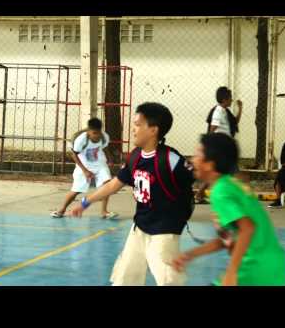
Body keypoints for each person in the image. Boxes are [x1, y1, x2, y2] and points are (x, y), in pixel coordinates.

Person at [71, 103, 194, 286]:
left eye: (137, 124)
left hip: (165, 231)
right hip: (140, 228)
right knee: (125, 277)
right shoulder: (135, 157)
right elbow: (114, 184)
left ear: (153, 130)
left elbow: (197, 176)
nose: (133, 129)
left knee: (169, 280)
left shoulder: (170, 159)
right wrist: (85, 201)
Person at [172, 133, 285, 286]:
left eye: (198, 154)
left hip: (254, 267)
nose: (192, 159)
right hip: (270, 264)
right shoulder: (230, 185)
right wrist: (191, 254)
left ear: (210, 164)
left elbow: (248, 228)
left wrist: (231, 272)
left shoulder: (220, 192)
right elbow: (229, 238)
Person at [51, 118, 118, 219]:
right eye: (94, 133)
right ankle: (62, 210)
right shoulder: (81, 140)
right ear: (88, 131)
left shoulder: (104, 137)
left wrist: (110, 158)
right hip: (84, 165)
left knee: (106, 186)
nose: (97, 135)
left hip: (100, 164)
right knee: (76, 190)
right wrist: (85, 170)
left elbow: (104, 147)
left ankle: (104, 212)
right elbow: (74, 155)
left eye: (99, 133)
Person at [195, 86, 243, 204]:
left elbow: (235, 122)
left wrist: (240, 108)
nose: (231, 100)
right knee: (231, 170)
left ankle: (199, 194)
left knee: (217, 171)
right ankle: (235, 196)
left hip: (224, 145)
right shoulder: (218, 111)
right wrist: (208, 144)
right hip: (220, 147)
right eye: (230, 98)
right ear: (224, 99)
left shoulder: (224, 111)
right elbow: (213, 127)